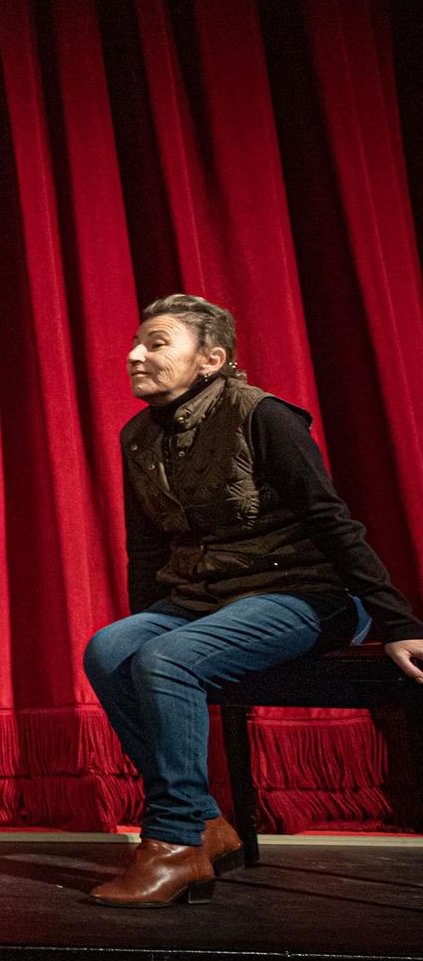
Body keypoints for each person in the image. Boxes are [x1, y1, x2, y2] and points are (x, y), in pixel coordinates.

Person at [82, 294, 423, 907]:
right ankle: (206, 822)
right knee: (111, 649)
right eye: (135, 343)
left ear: (211, 359)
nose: (134, 355)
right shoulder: (139, 436)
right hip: (206, 600)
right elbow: (146, 550)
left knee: (167, 659)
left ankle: (174, 841)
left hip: (304, 593)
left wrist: (397, 619)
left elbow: (331, 520)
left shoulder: (261, 414)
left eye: (156, 344)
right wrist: (143, 620)